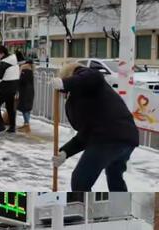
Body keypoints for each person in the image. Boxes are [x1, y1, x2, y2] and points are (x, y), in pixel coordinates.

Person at [52, 63, 139, 191]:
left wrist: (65, 82)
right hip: (126, 137)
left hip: (108, 138)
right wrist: (65, 152)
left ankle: (84, 203)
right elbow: (86, 133)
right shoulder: (87, 97)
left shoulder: (89, 78)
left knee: (80, 180)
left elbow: (93, 76)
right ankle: (121, 205)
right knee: (114, 176)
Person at [16, 59, 35, 134]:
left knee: (25, 109)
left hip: (25, 92)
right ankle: (26, 124)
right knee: (27, 108)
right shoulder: (30, 71)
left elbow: (21, 81)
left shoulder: (25, 71)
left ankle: (27, 126)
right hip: (29, 92)